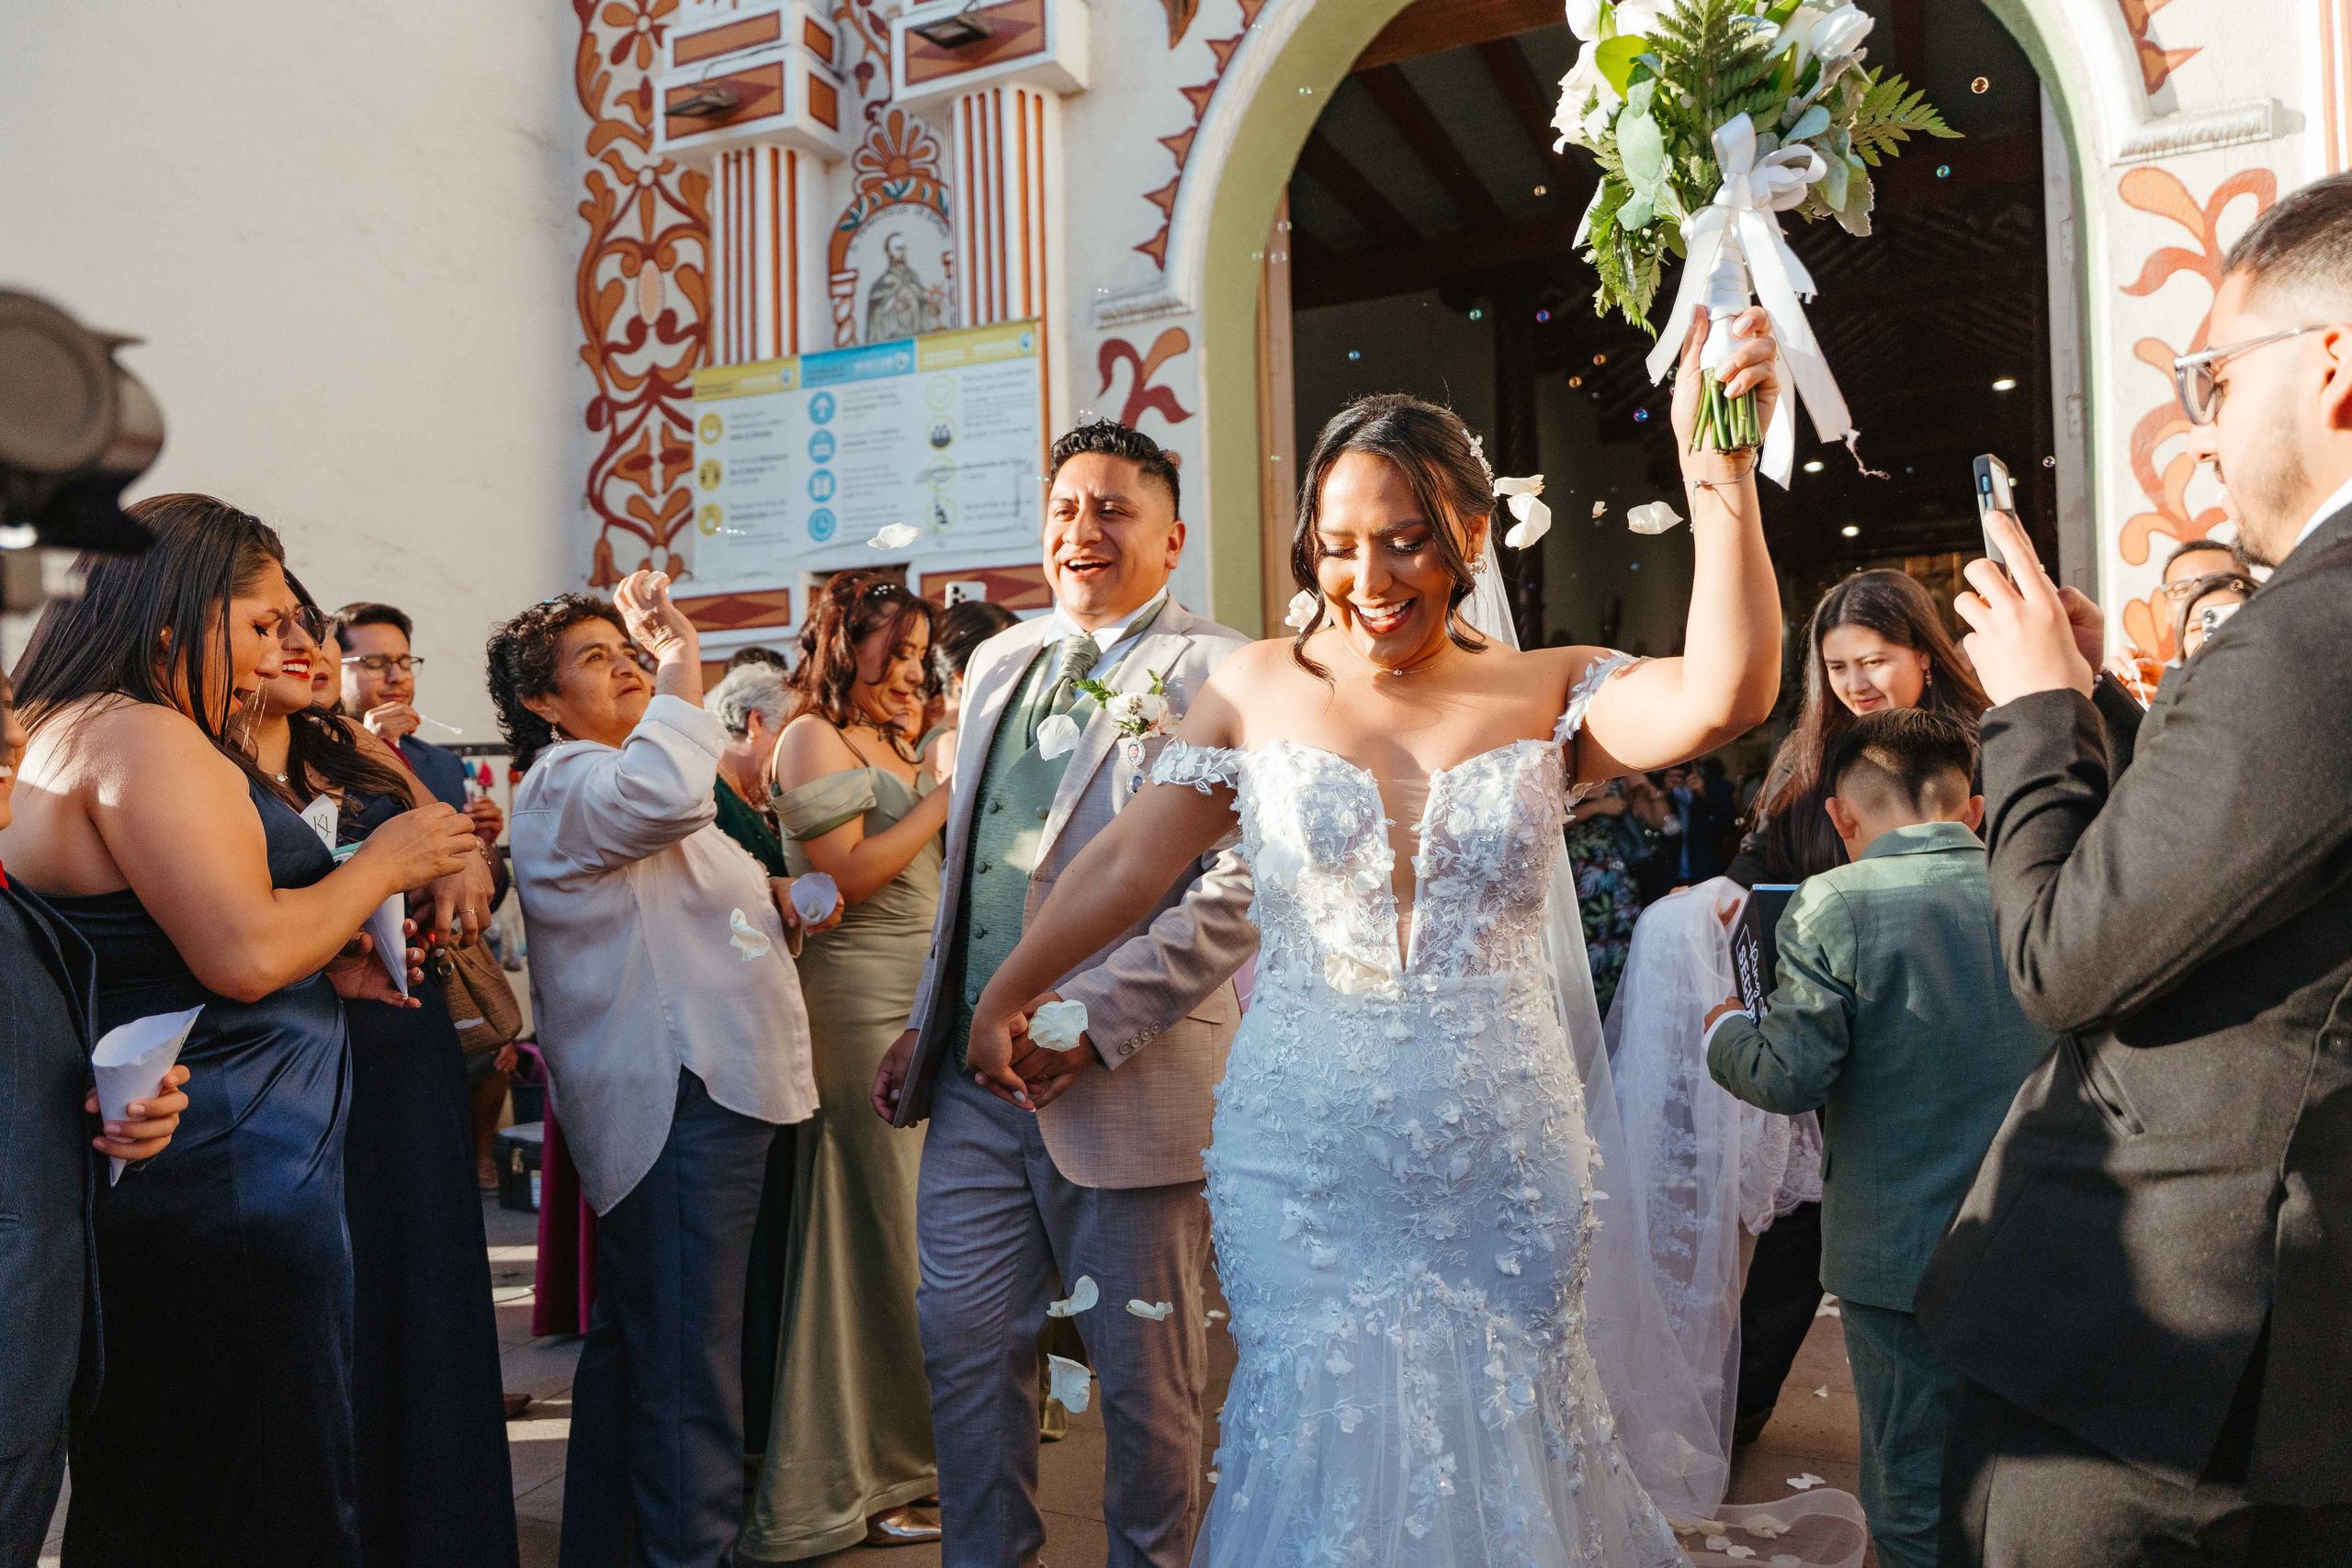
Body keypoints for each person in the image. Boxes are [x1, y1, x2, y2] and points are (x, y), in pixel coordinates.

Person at [950, 309, 1808, 1563]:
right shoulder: (1251, 684)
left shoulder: (1548, 688)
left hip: (1502, 1142)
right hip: (1305, 1142)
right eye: (1340, 546)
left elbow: (1730, 690)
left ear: (1469, 533)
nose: (1370, 580)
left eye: (1405, 543)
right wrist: (1008, 988)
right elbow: (1135, 857)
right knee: (1318, 1430)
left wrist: (1717, 474)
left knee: (1511, 1418)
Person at [1921, 172, 2352, 1566]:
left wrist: (2037, 712)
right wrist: (2105, 699)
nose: (2200, 422)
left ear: (2334, 365)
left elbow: (2064, 954)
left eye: (2213, 374)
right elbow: (2258, 861)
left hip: (2167, 1367)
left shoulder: (2314, 627)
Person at [1, 494, 477, 1565]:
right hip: (229, 1171)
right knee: (254, 1484)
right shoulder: (141, 733)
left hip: (201, 1153)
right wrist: (385, 864)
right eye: (262, 624)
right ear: (176, 617)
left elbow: (169, 952)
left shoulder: (78, 723)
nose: (280, 651)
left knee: (180, 1477)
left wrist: (330, 967)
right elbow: (245, 953)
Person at [868, 418, 1259, 1568]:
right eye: (1065, 510)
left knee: (1147, 1387)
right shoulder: (996, 661)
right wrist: (924, 1016)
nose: (1080, 531)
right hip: (972, 1082)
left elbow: (1239, 888)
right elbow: (982, 867)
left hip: (1125, 1076)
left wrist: (1091, 1020)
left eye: (1112, 509)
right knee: (965, 1351)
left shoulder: (1221, 669)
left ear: (1172, 535)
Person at [494, 576, 834, 1568]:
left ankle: (612, 1549)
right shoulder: (567, 779)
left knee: (648, 1345)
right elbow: (661, 797)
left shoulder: (628, 774)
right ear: (542, 704)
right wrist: (685, 666)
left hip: (717, 1087)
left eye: (629, 651)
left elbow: (695, 901)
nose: (629, 666)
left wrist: (776, 903)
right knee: (691, 1365)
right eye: (594, 660)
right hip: (680, 1094)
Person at [1703, 710, 2052, 1568]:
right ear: (1974, 810)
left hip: (1898, 1250)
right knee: (2025, 1470)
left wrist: (1723, 1030)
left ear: (1841, 819)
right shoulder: (2041, 890)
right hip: (2036, 1236)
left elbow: (1787, 1075)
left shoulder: (1838, 900)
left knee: (1908, 1480)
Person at [252, 571, 517, 1568]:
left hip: (397, 1039)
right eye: (268, 628)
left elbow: (449, 845)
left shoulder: (345, 744)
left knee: (422, 1290)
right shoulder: (207, 758)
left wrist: (455, 860)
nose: (298, 648)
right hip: (298, 1049)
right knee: (330, 1312)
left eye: (306, 630)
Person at [1718, 568, 1993, 1448]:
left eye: (1874, 660)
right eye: (1837, 667)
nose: (1856, 683)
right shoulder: (1810, 762)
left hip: (1942, 1031)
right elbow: (1750, 868)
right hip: (1825, 1019)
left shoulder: (1978, 750)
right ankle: (1742, 1409)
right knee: (1800, 1237)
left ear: (1925, 652)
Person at [742, 573, 953, 1559]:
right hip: (858, 1002)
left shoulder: (896, 742)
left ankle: (909, 1460)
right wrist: (948, 790)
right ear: (845, 645)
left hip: (922, 999)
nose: (910, 672)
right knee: (872, 1237)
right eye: (895, 652)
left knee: (919, 1236)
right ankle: (856, 1478)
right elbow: (848, 876)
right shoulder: (811, 735)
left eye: (920, 655)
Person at [0, 666, 190, 1568]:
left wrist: (122, 1122)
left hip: (36, 1352)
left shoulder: (17, 904)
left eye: (7, 722)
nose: (10, 747)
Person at [338, 599, 504, 845]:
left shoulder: (444, 765)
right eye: (375, 663)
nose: (397, 677)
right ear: (331, 667)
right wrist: (375, 750)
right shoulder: (310, 760)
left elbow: (483, 881)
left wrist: (480, 844)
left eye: (405, 663)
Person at [1563, 775, 1646, 1015]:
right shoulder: (1568, 772)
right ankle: (1588, 1017)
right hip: (1582, 873)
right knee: (1588, 945)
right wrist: (1596, 807)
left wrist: (1644, 787)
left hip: (1618, 873)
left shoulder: (1620, 776)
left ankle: (1617, 1017)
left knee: (1624, 944)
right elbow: (1548, 820)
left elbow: (1645, 817)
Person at [922, 596, 1021, 777]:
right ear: (965, 673)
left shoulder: (961, 740)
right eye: (1009, 662)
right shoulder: (953, 745)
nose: (1021, 671)